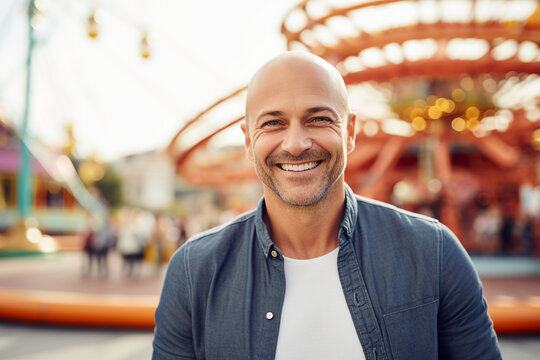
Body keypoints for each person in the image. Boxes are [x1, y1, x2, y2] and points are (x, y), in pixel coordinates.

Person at [153, 52, 501, 359]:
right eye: (273, 123)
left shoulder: (433, 253)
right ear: (248, 142)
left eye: (318, 119)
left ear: (350, 132)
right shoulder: (194, 271)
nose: (296, 144)